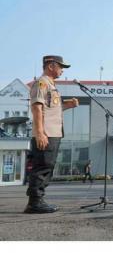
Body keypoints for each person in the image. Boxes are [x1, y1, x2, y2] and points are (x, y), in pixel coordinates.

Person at [25, 55, 79, 214]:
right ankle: (34, 202)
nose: (62, 70)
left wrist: (68, 105)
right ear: (51, 66)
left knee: (47, 166)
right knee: (42, 166)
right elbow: (37, 108)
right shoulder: (41, 83)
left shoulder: (51, 86)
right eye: (61, 67)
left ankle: (38, 200)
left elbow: (52, 110)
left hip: (53, 133)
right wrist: (40, 132)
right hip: (46, 133)